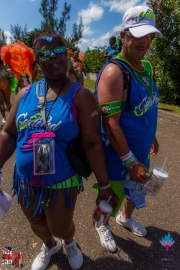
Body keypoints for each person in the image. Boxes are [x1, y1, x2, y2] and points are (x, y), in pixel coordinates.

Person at [0, 31, 118, 270]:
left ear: (67, 55)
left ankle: (69, 241)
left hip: (62, 180)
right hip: (25, 180)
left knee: (61, 226)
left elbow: (92, 143)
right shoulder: (24, 95)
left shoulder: (81, 96)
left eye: (59, 51)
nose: (53, 57)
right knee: (36, 222)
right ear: (37, 60)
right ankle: (50, 246)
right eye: (45, 53)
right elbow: (9, 133)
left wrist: (104, 186)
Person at [94, 6, 162, 252]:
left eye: (149, 36)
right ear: (123, 35)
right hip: (119, 154)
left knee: (136, 188)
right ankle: (102, 224)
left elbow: (145, 105)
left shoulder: (148, 67)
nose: (144, 42)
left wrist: (151, 135)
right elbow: (110, 124)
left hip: (140, 149)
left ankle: (124, 217)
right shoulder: (115, 72)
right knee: (111, 193)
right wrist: (131, 163)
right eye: (137, 35)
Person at [0, 58, 11, 125]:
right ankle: (4, 117)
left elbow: (9, 76)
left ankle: (12, 116)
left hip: (6, 85)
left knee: (8, 103)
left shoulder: (3, 65)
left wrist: (8, 71)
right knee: (1, 103)